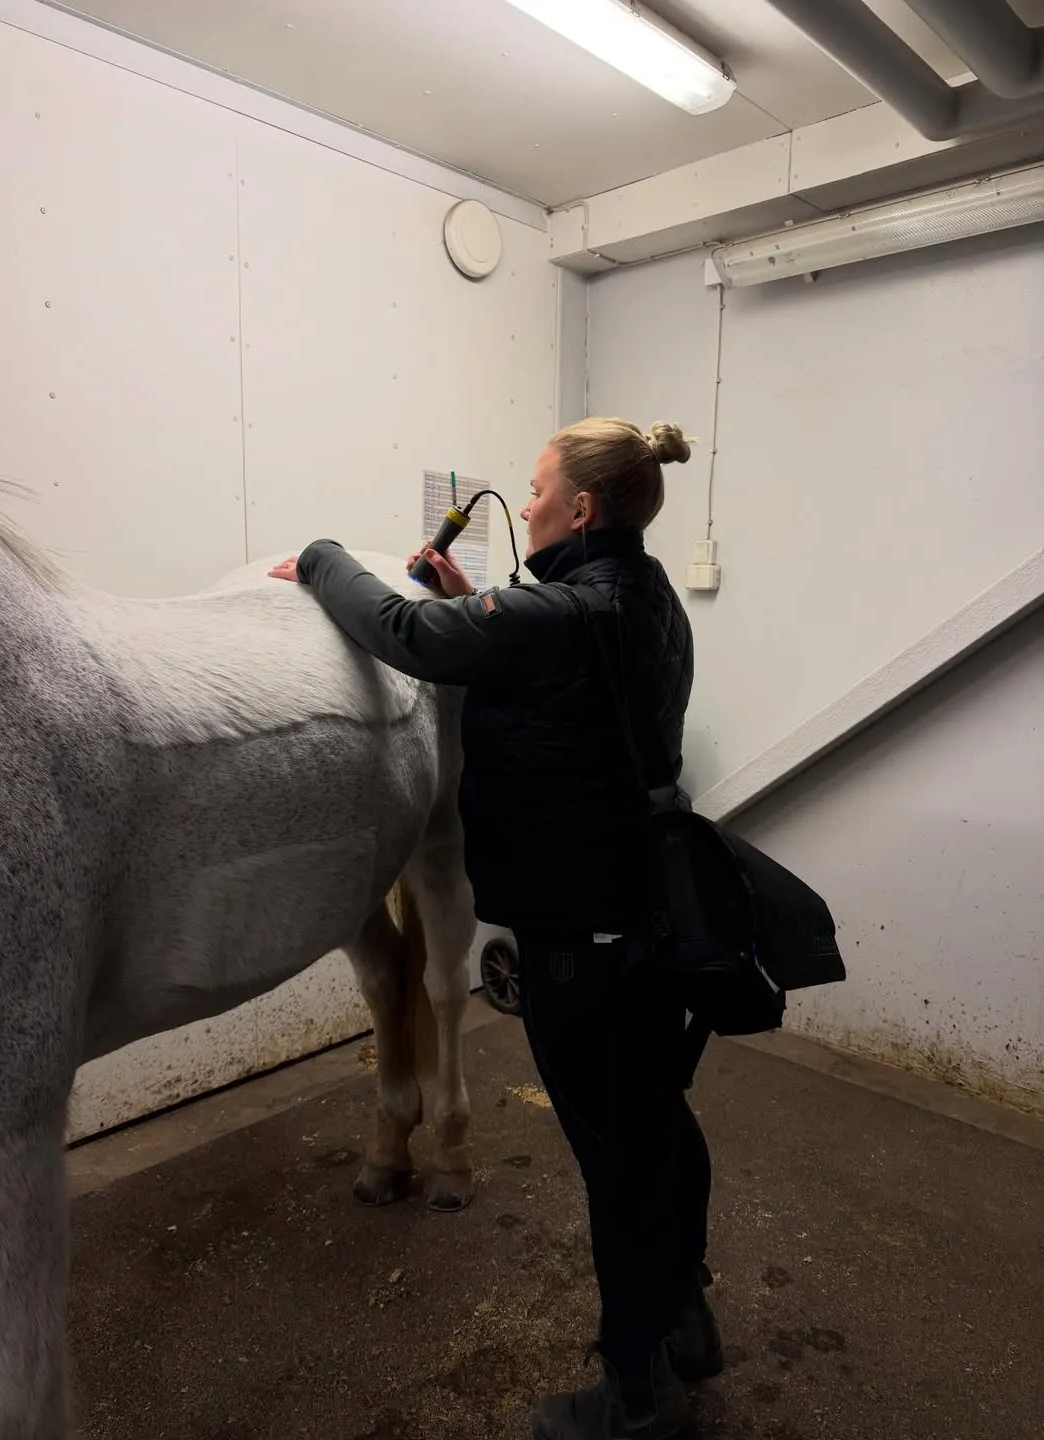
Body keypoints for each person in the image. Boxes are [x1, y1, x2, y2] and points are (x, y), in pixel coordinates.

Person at [270, 417, 722, 1440]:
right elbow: (543, 654)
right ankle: (688, 1316)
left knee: (614, 1158)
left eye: (534, 489)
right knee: (662, 1124)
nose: (522, 506)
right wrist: (474, 601)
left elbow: (410, 639)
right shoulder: (641, 598)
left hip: (582, 938)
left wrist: (323, 559)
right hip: (648, 915)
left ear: (581, 509)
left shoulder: (563, 611)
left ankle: (632, 1388)